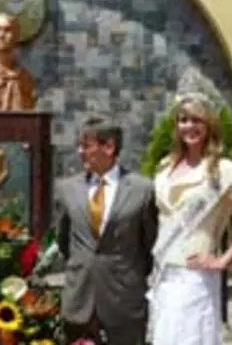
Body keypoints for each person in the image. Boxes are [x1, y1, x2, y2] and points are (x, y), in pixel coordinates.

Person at [149, 93, 232, 345]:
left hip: (196, 277)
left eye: (196, 120)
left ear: (209, 124)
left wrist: (223, 260)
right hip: (164, 274)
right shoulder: (165, 167)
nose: (189, 126)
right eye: (183, 120)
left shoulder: (224, 171)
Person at [53, 115, 158, 345]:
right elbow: (64, 242)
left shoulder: (142, 190)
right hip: (80, 300)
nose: (80, 152)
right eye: (79, 145)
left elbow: (149, 244)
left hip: (124, 301)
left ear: (109, 147)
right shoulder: (67, 189)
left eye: (86, 146)